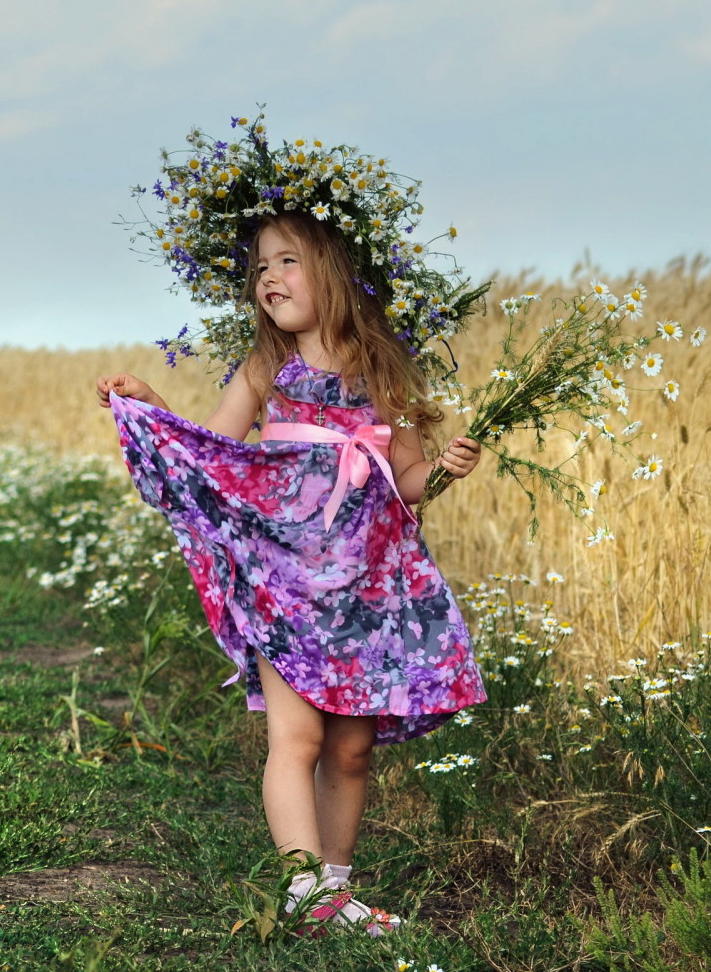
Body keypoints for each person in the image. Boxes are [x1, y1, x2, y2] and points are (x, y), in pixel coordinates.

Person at [95, 209, 488, 936]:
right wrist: (152, 409)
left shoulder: (382, 370)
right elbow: (214, 455)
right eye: (261, 268)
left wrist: (443, 472)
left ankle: (332, 897)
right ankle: (301, 890)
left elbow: (404, 480)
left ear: (335, 270)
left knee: (351, 747)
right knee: (297, 739)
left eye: (287, 262)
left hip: (367, 581)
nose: (269, 278)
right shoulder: (265, 367)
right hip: (283, 579)